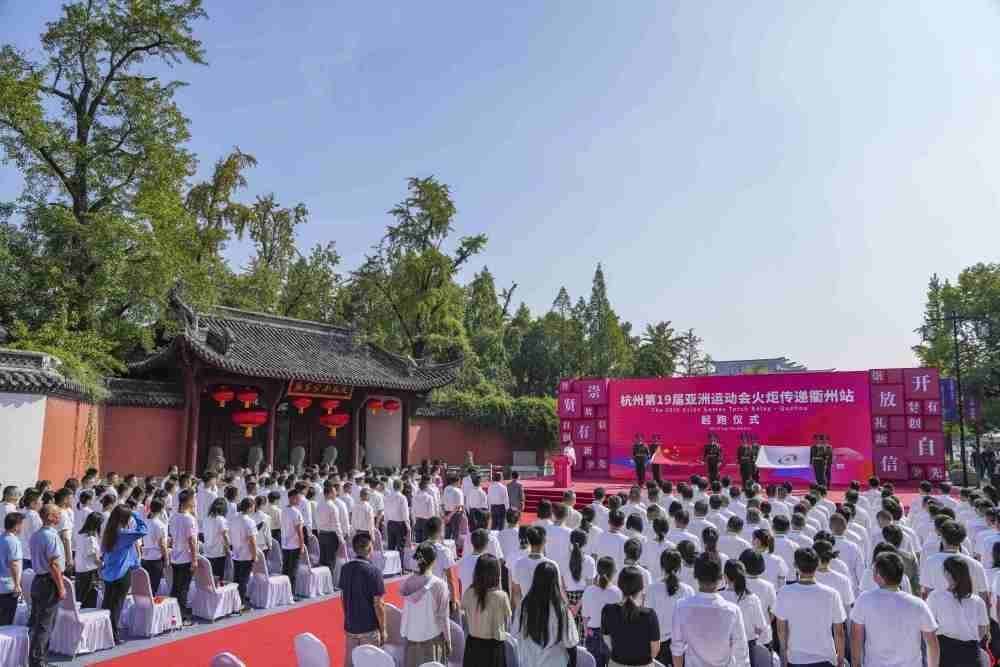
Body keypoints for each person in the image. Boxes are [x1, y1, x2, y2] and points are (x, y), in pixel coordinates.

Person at [851, 551, 939, 667]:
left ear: (878, 576)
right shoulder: (919, 605)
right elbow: (931, 642)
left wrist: (856, 664)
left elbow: (855, 636)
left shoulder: (864, 600)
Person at [671, 553, 750, 667]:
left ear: (695, 575)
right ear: (721, 577)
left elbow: (677, 649)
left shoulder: (681, 607)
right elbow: (741, 655)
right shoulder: (732, 611)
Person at [775, 548, 846, 667]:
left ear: (795, 566)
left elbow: (781, 629)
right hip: (826, 658)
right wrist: (840, 660)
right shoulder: (832, 594)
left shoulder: (784, 592)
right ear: (817, 565)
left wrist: (784, 653)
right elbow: (839, 632)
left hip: (796, 659)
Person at [512, 560, 579, 667]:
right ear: (555, 582)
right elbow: (571, 644)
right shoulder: (560, 610)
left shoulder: (524, 605)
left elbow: (515, 633)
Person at [927, 556, 987, 666]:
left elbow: (929, 628)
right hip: (972, 653)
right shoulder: (978, 601)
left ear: (947, 573)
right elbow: (982, 629)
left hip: (946, 652)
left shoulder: (935, 596)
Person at [101, 504, 148, 644]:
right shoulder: (124, 535)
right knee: (117, 605)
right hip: (122, 573)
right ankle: (114, 635)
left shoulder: (108, 532)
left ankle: (105, 632)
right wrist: (135, 514)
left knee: (107, 603)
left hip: (108, 572)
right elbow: (144, 529)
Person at [400, 542, 452, 667]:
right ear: (434, 561)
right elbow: (443, 617)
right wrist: (448, 641)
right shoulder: (439, 585)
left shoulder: (407, 582)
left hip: (411, 639)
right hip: (432, 640)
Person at [340, 532, 387, 667]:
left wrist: (348, 617)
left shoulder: (345, 568)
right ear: (369, 548)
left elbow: (342, 597)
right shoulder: (374, 571)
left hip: (351, 626)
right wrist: (383, 629)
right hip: (369, 628)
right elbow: (378, 604)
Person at [29, 504, 66, 667]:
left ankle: (36, 657)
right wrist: (61, 587)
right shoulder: (50, 536)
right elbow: (54, 564)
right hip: (48, 582)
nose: (60, 516)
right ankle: (38, 661)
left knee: (38, 622)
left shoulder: (36, 535)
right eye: (57, 514)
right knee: (45, 624)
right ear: (50, 517)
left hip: (39, 580)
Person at [462, 552, 512, 666]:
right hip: (494, 648)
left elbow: (464, 611)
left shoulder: (469, 592)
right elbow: (507, 621)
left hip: (473, 646)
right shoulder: (501, 596)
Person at [646, 548, 694, 664]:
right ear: (680, 566)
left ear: (662, 565)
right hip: (681, 647)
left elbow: (648, 619)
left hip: (658, 645)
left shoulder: (652, 589)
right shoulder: (688, 590)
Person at [721, 560, 771, 650]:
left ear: (725, 576)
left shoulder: (719, 598)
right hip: (748, 647)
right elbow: (763, 629)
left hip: (724, 648)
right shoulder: (753, 598)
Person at [581, 556, 621, 667]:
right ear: (613, 572)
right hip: (611, 635)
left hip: (592, 633)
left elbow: (585, 617)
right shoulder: (617, 592)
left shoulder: (589, 590)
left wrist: (587, 632)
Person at [169, 489, 199, 624]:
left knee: (176, 587)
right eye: (193, 499)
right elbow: (192, 541)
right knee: (183, 588)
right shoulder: (189, 519)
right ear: (188, 501)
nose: (195, 501)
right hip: (185, 557)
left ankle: (173, 614)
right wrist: (194, 559)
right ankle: (182, 616)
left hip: (175, 556)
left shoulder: (174, 517)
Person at [564, 528, 596, 639]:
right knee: (584, 635)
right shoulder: (590, 561)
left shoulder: (563, 559)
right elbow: (589, 586)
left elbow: (561, 585)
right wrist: (578, 606)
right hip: (584, 598)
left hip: (567, 598)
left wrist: (569, 604)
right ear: (585, 543)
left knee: (568, 635)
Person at [230, 497, 258, 610]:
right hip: (246, 554)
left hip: (236, 553)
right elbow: (252, 541)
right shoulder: (249, 521)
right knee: (243, 581)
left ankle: (236, 602)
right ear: (250, 507)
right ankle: (241, 604)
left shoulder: (234, 519)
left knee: (237, 579)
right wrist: (255, 555)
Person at [74, 511, 103, 607]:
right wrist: (105, 566)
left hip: (79, 571)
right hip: (90, 573)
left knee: (80, 599)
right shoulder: (91, 539)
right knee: (89, 602)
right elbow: (96, 560)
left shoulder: (80, 535)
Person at [281, 487, 307, 592]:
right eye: (298, 498)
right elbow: (299, 531)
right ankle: (291, 593)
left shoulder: (283, 510)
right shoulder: (296, 512)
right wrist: (302, 545)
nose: (299, 500)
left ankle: (284, 592)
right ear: (292, 498)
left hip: (285, 544)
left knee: (286, 569)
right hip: (294, 544)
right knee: (293, 570)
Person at [141, 499, 169, 597]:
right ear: (161, 510)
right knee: (153, 587)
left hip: (145, 557)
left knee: (145, 586)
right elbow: (162, 544)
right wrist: (166, 559)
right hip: (156, 559)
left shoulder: (145, 522)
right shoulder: (160, 525)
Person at [0, 511, 23, 625]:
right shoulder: (13, 541)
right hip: (8, 587)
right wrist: (17, 585)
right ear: (16, 526)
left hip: (2, 586)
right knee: (6, 623)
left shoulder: (2, 538)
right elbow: (14, 564)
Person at [204, 497, 230, 581]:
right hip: (219, 552)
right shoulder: (221, 520)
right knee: (219, 577)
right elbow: (225, 536)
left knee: (210, 577)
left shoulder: (206, 518)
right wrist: (228, 548)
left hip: (207, 551)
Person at [384, 479, 410, 553]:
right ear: (401, 486)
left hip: (390, 523)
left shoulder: (387, 497)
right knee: (400, 548)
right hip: (400, 524)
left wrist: (386, 523)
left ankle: (390, 561)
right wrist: (408, 526)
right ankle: (400, 561)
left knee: (390, 547)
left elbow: (385, 511)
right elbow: (405, 514)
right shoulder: (402, 498)